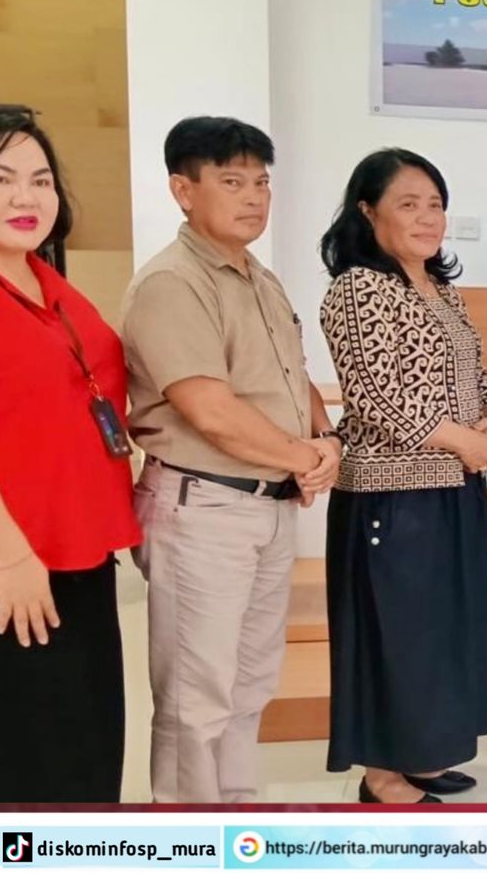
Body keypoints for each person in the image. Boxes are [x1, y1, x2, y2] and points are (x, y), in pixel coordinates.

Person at [121, 116, 340, 803]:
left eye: (262, 182)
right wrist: (302, 454)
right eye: (232, 181)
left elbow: (290, 374)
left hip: (267, 504)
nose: (254, 196)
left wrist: (325, 439)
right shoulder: (172, 281)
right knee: (197, 695)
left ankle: (237, 816)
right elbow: (207, 407)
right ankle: (189, 835)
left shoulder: (258, 277)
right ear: (183, 189)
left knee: (248, 684)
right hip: (203, 506)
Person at [318, 148, 487, 803]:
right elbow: (374, 393)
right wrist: (460, 439)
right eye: (408, 203)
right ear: (367, 212)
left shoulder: (440, 288)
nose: (427, 217)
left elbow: (477, 372)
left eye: (435, 203)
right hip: (391, 494)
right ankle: (382, 772)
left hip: (453, 484)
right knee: (396, 634)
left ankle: (422, 753)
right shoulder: (356, 288)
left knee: (441, 632)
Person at [0, 106, 141, 802]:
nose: (25, 197)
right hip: (17, 565)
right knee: (33, 764)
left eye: (40, 179)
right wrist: (9, 557)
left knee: (89, 751)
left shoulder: (53, 288)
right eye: (1, 178)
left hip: (84, 556)